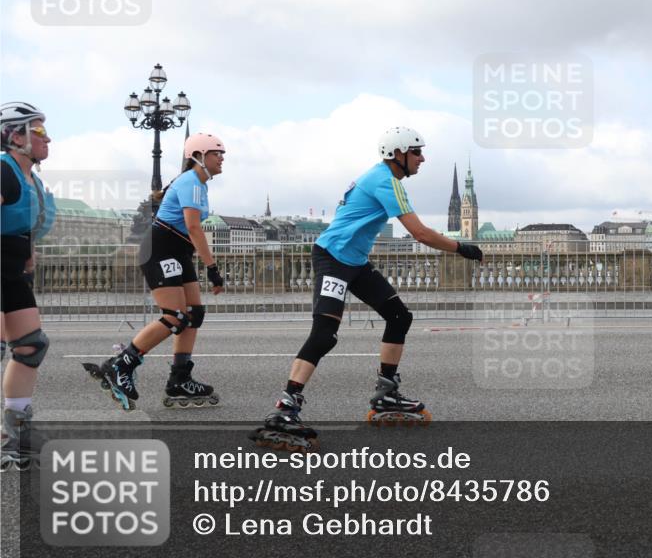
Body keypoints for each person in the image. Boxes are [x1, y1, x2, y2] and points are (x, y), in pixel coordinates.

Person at [252, 127, 482, 451]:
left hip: (354, 261)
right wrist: (461, 247)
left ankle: (386, 391)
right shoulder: (386, 181)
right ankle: (285, 408)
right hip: (333, 258)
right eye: (417, 152)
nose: (423, 158)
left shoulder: (381, 177)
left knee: (399, 316)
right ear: (398, 154)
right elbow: (420, 233)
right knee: (325, 334)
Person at [84, 133, 227, 410]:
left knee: (194, 314)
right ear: (199, 156)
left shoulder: (199, 184)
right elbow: (194, 227)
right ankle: (122, 366)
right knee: (174, 316)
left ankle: (179, 379)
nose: (222, 158)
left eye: (223, 154)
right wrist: (212, 268)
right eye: (216, 153)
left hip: (178, 250)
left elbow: (190, 231)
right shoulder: (191, 182)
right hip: (161, 249)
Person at [0, 102, 56, 471]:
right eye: (38, 131)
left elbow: (24, 226)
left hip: (12, 268)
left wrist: (29, 259)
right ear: (14, 135)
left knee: (31, 346)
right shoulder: (3, 171)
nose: (47, 138)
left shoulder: (30, 179)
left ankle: (15, 436)